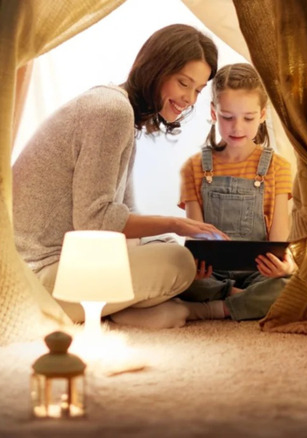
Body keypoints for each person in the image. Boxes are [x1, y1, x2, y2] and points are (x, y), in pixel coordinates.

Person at [13, 24, 227, 329]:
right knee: (177, 263)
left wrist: (170, 237)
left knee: (173, 251)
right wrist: (176, 223)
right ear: (157, 68)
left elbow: (123, 212)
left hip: (64, 264)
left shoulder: (119, 110)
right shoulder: (112, 113)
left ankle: (120, 312)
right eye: (183, 83)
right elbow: (94, 220)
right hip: (39, 278)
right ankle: (180, 310)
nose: (190, 99)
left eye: (198, 89)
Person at [176, 63, 296, 322]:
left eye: (248, 118)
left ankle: (216, 308)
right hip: (212, 275)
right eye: (227, 117)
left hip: (258, 272)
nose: (237, 127)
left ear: (262, 114)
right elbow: (196, 237)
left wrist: (284, 266)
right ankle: (239, 299)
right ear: (213, 112)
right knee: (178, 277)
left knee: (289, 285)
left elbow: (279, 239)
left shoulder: (279, 167)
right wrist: (195, 267)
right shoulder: (193, 167)